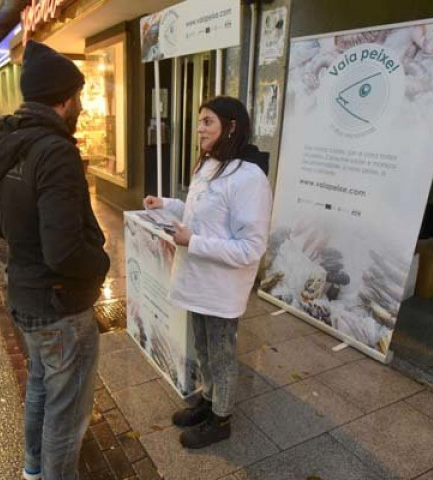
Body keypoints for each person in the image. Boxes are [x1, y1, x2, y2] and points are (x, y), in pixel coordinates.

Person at [0, 41, 109, 480]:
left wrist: (28, 248)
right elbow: (64, 251)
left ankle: (32, 470)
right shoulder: (55, 152)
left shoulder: (11, 142)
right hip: (59, 309)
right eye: (80, 97)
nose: (83, 106)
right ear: (65, 99)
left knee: (39, 387)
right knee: (66, 413)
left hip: (25, 296)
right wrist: (101, 265)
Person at [144, 96, 273, 449]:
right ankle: (208, 398)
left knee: (221, 351)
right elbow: (200, 216)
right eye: (199, 121)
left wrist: (194, 242)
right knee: (202, 344)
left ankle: (222, 418)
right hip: (198, 280)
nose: (199, 129)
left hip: (221, 286)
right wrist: (167, 205)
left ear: (231, 127)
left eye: (207, 122)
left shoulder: (249, 178)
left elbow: (251, 248)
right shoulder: (209, 166)